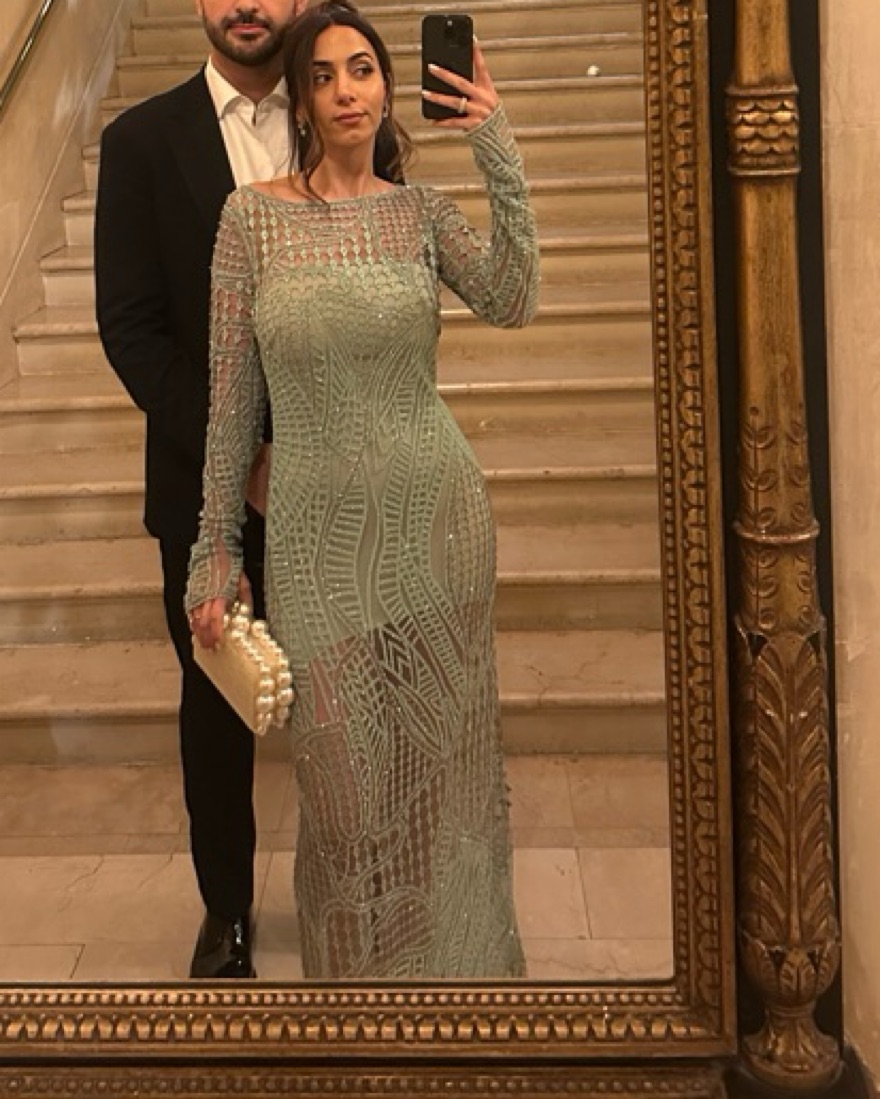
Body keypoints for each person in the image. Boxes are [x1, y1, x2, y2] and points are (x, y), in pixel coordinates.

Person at [186, 0, 539, 978]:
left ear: (387, 89)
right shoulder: (250, 220)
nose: (346, 91)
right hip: (315, 547)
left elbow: (513, 296)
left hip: (438, 527)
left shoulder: (420, 215)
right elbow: (229, 406)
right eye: (323, 75)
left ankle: (449, 1007)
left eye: (363, 70)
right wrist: (214, 550)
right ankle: (355, 1012)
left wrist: (496, 144)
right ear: (300, 101)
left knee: (442, 795)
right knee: (342, 802)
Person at [94, 0, 306, 980]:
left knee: (348, 698)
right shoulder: (140, 142)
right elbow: (132, 328)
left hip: (337, 480)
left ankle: (360, 888)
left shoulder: (339, 112)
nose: (247, 4)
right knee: (215, 707)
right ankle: (226, 909)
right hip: (199, 488)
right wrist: (239, 456)